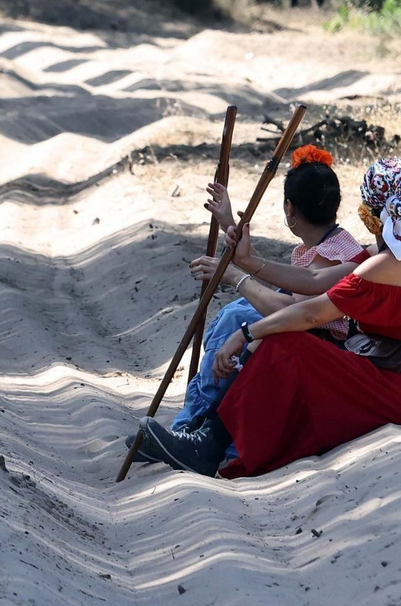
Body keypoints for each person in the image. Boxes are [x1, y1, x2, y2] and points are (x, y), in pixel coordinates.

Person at [139, 157, 401, 478]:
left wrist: (247, 333)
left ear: (370, 212)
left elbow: (311, 312)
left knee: (286, 342)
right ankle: (204, 434)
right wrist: (248, 262)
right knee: (268, 331)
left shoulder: (388, 264)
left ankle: (208, 444)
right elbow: (311, 282)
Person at [127, 146, 367, 465]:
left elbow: (289, 310)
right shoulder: (331, 244)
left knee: (238, 317)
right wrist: (229, 224)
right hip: (318, 336)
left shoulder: (333, 254)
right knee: (237, 313)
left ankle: (194, 429)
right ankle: (192, 426)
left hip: (328, 348)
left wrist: (235, 276)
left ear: (289, 208)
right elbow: (282, 287)